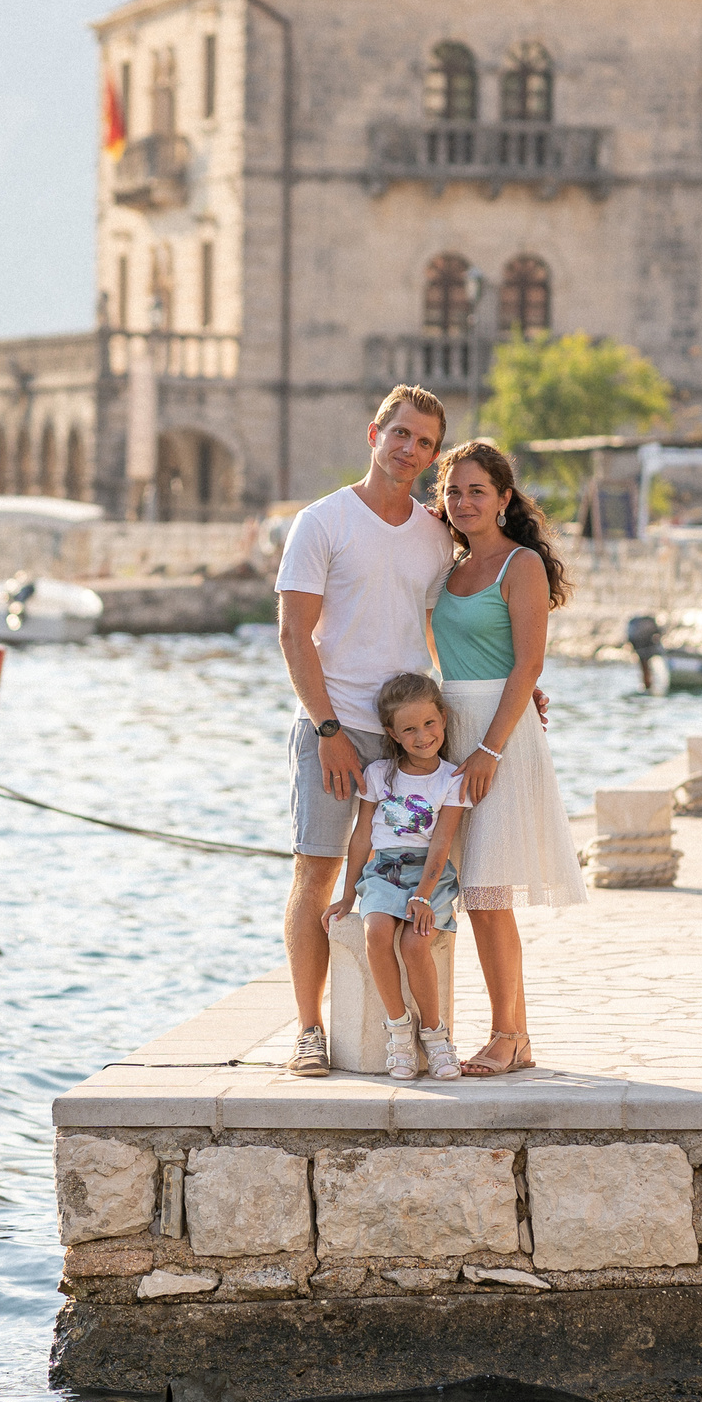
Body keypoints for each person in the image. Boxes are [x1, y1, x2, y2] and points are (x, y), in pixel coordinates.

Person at [273, 386, 455, 1076]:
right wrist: (327, 729)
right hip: (334, 724)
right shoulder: (322, 522)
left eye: (426, 442)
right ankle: (309, 1030)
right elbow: (294, 633)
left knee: (413, 872)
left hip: (412, 736)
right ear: (374, 433)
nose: (411, 450)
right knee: (316, 872)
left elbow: (450, 625)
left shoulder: (436, 534)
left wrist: (521, 690)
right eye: (401, 434)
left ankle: (416, 1030)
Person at [426, 440, 589, 1078]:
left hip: (499, 737)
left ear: (503, 499)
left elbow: (529, 664)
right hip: (452, 728)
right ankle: (515, 1035)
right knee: (476, 889)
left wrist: (491, 746)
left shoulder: (518, 565)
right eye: (454, 491)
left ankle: (507, 1035)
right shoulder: (448, 568)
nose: (464, 502)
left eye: (477, 491)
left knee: (488, 891)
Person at [325, 672, 466, 1080]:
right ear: (393, 733)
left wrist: (423, 896)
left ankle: (436, 1036)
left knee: (416, 944)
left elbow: (441, 846)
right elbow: (361, 837)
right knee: (377, 933)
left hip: (430, 876)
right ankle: (399, 1030)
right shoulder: (378, 775)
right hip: (384, 871)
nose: (422, 735)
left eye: (429, 723)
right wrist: (348, 895)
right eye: (409, 729)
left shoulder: (452, 779)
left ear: (442, 718)